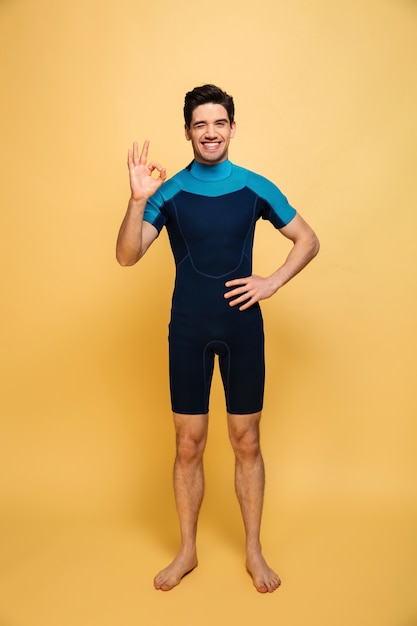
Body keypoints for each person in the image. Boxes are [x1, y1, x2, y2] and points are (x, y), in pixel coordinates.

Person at [116, 84, 319, 593]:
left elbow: (307, 240)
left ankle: (253, 550)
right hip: (186, 329)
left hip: (242, 329)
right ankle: (187, 550)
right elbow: (127, 254)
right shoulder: (169, 192)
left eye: (219, 123)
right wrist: (137, 201)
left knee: (246, 440)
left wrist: (270, 282)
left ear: (232, 128)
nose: (210, 132)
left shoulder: (254, 187)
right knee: (189, 444)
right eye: (200, 124)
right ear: (188, 131)